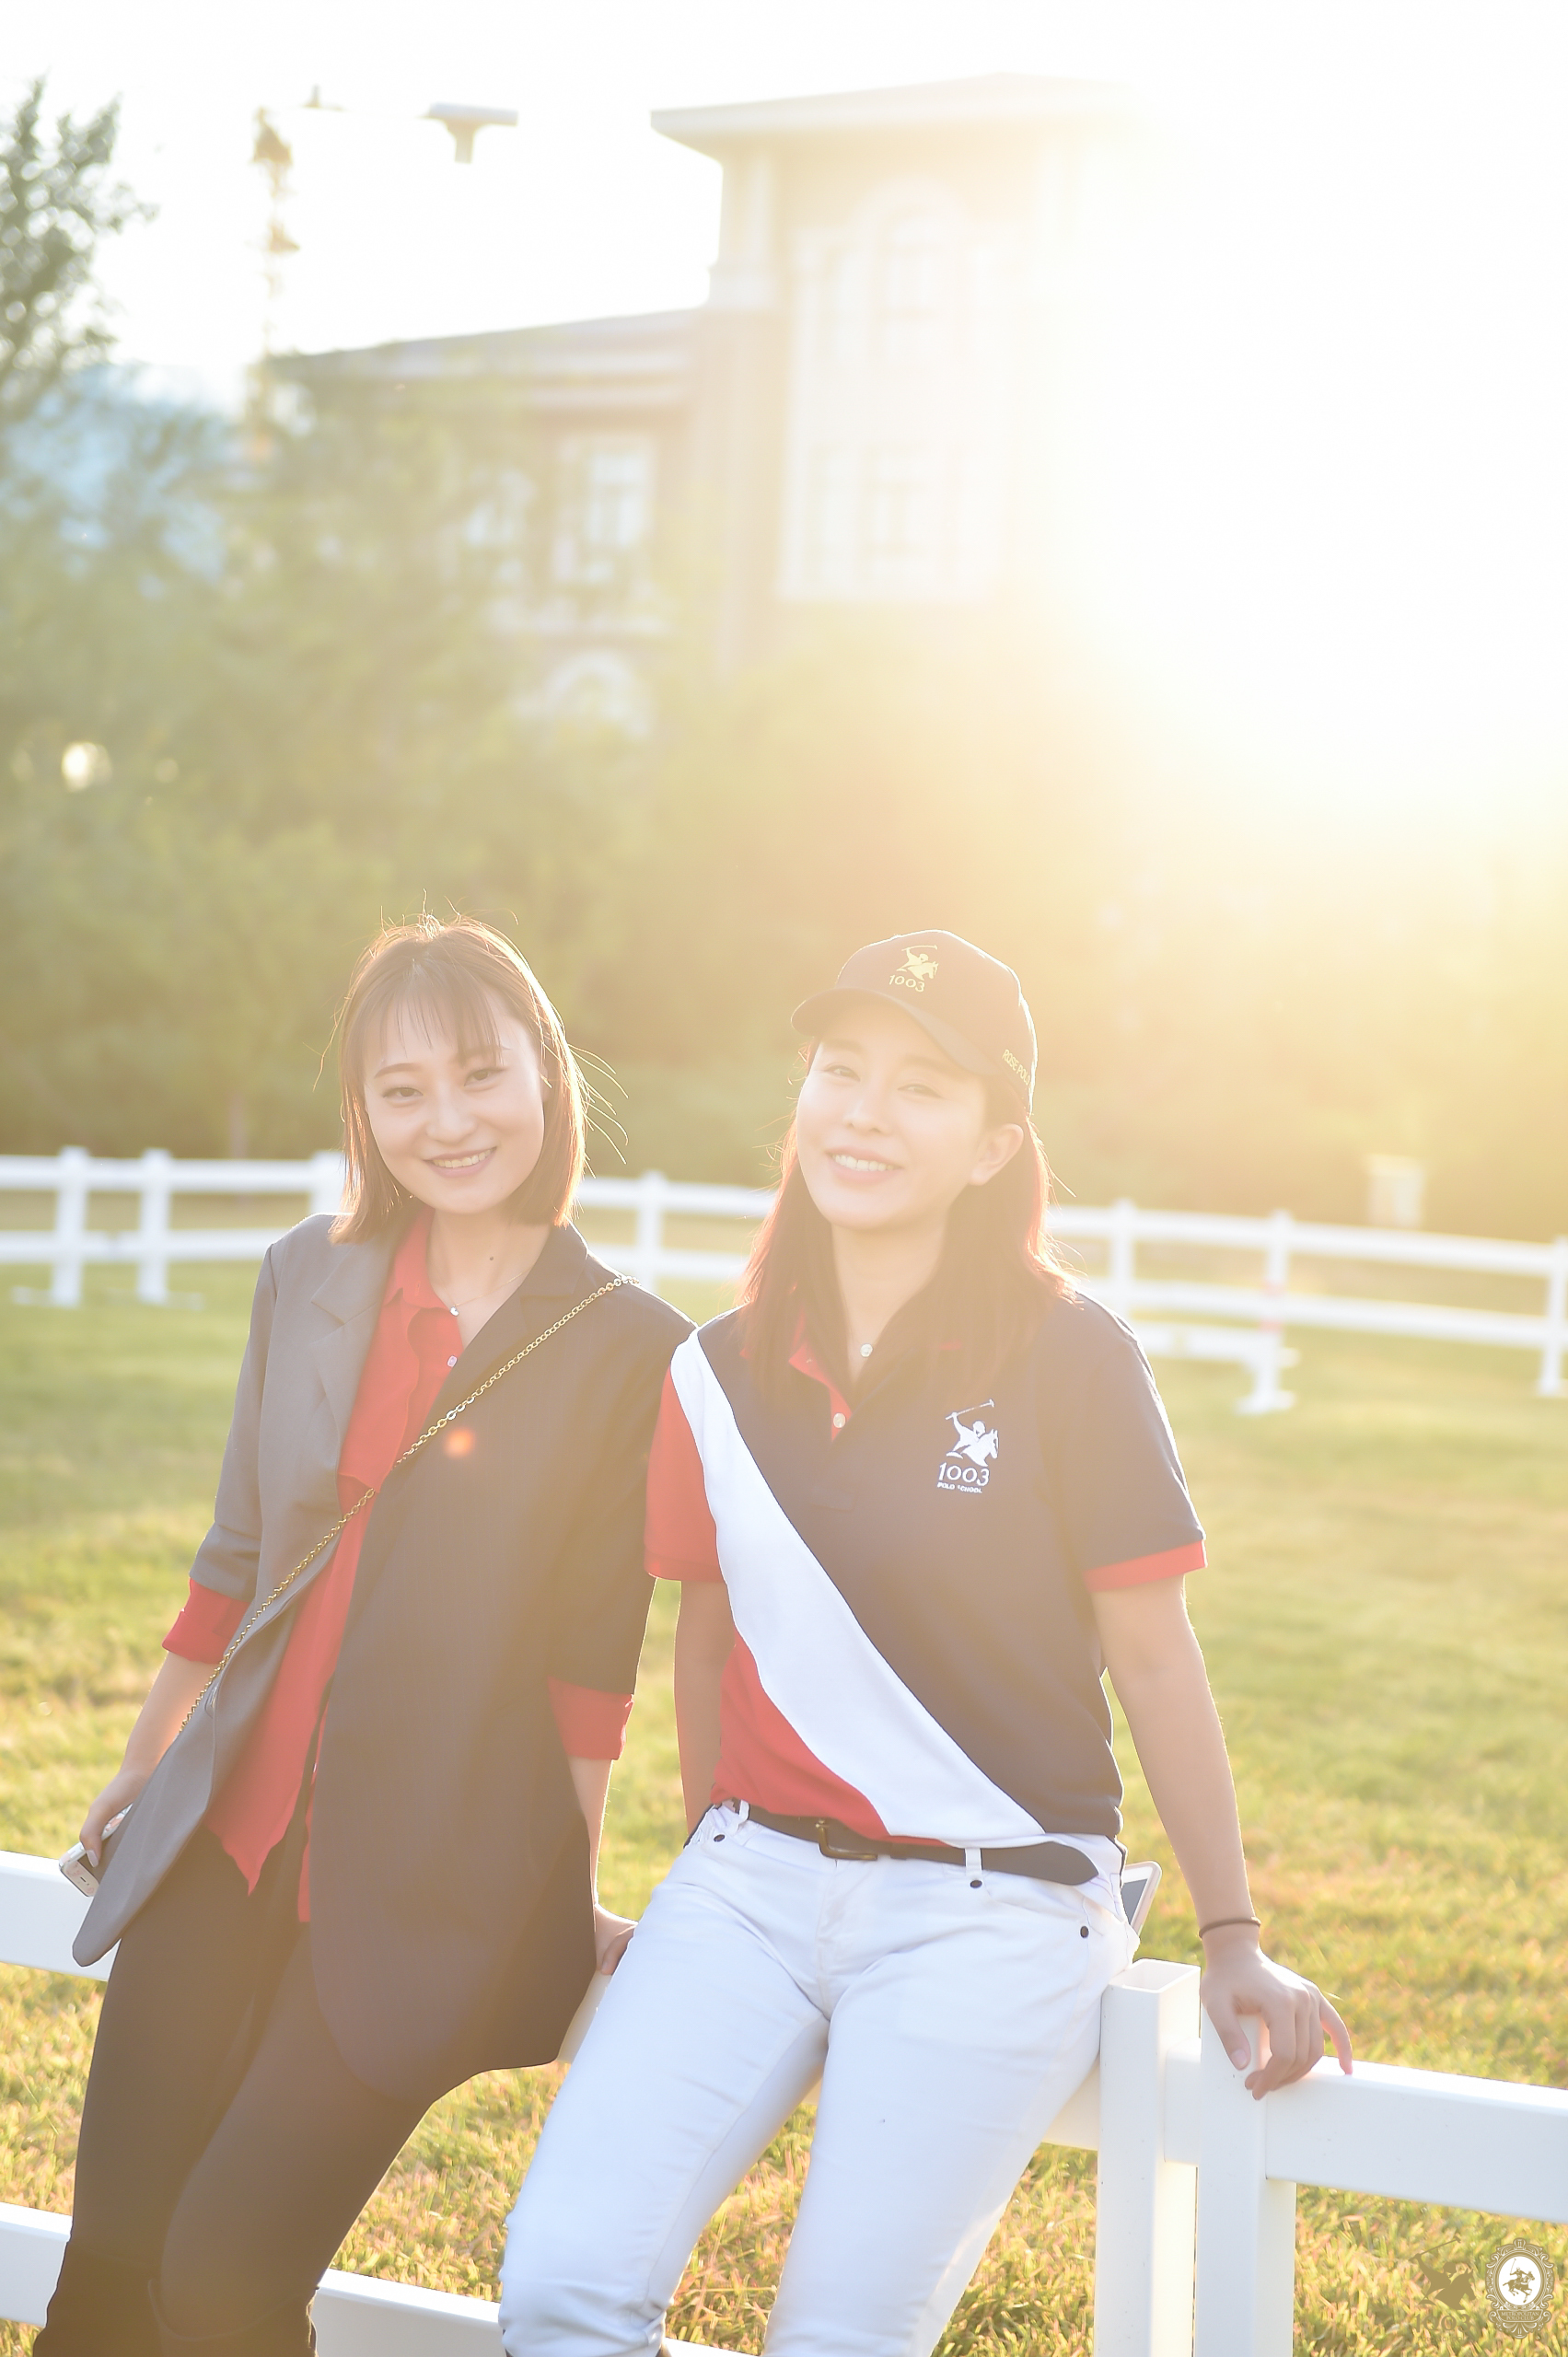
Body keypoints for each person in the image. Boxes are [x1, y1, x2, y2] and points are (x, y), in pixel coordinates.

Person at [499, 929, 1353, 2357]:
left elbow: (1155, 1662)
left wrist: (1234, 1936)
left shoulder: (1074, 1358)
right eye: (842, 1071)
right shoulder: (712, 1371)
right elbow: (706, 1644)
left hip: (996, 1904)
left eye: (923, 1087)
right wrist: (713, 1863)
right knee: (559, 2287)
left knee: (838, 2338)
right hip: (749, 1886)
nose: (866, 1114)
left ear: (993, 1145)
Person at [40, 916, 687, 2357]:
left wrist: (571, 1884)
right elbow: (237, 1554)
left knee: (225, 2289)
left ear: (545, 1072)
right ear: (364, 1111)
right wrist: (151, 1757)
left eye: (479, 1074)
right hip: (223, 1839)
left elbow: (593, 1662)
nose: (447, 1121)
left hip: (423, 1880)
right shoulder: (306, 1275)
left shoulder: (627, 1344)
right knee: (106, 2286)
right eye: (403, 1091)